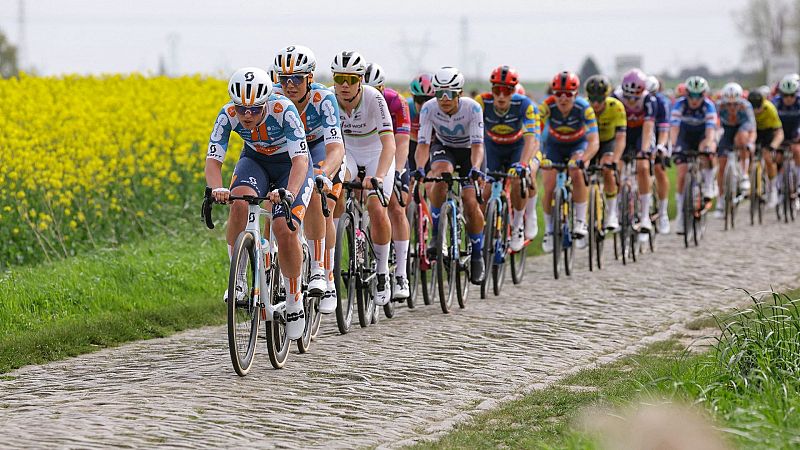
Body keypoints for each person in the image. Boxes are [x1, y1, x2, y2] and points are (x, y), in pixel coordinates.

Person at [206, 67, 313, 340]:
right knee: (238, 202)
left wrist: (288, 192)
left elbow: (301, 160)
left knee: (283, 228)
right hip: (255, 162)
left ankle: (294, 300)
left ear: (265, 102)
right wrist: (216, 188)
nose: (248, 115)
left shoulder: (283, 110)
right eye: (242, 109)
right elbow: (214, 159)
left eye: (254, 109)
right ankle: (239, 278)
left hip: (290, 167)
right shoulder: (227, 114)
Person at [272, 45, 346, 314]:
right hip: (290, 152)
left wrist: (324, 173)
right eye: (284, 79)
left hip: (318, 149)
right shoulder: (273, 99)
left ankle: (323, 273)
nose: (290, 85)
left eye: (297, 79)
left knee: (318, 195)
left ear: (310, 78)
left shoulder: (324, 98)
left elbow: (336, 147)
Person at [331, 51, 396, 306]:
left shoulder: (374, 98)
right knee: (335, 190)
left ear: (360, 80)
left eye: (351, 79)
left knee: (375, 206)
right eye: (339, 78)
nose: (344, 85)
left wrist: (378, 176)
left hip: (375, 154)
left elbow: (389, 143)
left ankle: (382, 272)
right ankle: (329, 263)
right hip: (347, 153)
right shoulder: (329, 97)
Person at [413, 66, 487, 284]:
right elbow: (424, 144)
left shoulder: (472, 108)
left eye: (450, 94)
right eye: (439, 93)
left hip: (470, 152)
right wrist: (419, 168)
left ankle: (476, 254)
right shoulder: (428, 109)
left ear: (460, 94)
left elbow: (478, 146)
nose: (444, 99)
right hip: (444, 148)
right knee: (439, 175)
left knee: (470, 201)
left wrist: (475, 168)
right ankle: (437, 233)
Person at [476, 65, 541, 251]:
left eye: (507, 91)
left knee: (519, 179)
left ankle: (519, 224)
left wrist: (523, 164)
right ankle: (480, 235)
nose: (502, 96)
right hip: (493, 147)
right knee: (484, 190)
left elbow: (531, 139)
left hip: (517, 147)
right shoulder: (482, 102)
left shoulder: (525, 104)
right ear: (492, 90)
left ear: (514, 91)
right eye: (497, 90)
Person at [364, 62, 412, 300]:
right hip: (361, 151)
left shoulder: (396, 102)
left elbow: (401, 141)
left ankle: (401, 273)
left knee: (395, 205)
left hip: (389, 153)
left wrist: (400, 171)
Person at [539, 71, 599, 252]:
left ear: (576, 94)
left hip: (577, 145)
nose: (563, 99)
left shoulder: (584, 108)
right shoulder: (547, 106)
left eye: (568, 95)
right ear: (553, 94)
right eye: (558, 94)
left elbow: (594, 141)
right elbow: (534, 135)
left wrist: (585, 159)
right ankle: (549, 230)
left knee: (577, 172)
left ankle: (580, 221)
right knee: (548, 185)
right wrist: (539, 158)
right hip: (554, 146)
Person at [669, 76, 718, 234]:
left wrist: (709, 144)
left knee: (707, 152)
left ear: (704, 95)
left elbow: (710, 130)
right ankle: (681, 216)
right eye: (692, 95)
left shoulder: (708, 106)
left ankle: (709, 184)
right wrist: (673, 145)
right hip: (685, 136)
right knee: (682, 173)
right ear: (687, 94)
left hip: (702, 135)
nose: (695, 99)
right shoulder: (679, 105)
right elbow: (674, 128)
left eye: (699, 95)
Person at [614, 68, 658, 241]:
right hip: (623, 132)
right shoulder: (616, 97)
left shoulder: (648, 100)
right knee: (615, 166)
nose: (631, 101)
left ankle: (645, 215)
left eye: (635, 97)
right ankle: (618, 206)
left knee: (642, 166)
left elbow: (648, 128)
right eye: (628, 97)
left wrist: (645, 151)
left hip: (641, 133)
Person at [584, 74, 627, 231]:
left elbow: (621, 137)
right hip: (589, 143)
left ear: (606, 96)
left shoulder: (616, 107)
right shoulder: (584, 107)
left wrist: (615, 160)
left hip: (608, 142)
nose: (595, 104)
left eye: (599, 100)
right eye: (592, 99)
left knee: (608, 170)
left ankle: (611, 214)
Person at [714, 82, 756, 218]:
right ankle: (720, 201)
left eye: (735, 104)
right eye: (729, 104)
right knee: (721, 165)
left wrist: (750, 143)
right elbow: (713, 125)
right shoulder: (719, 106)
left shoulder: (746, 106)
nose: (732, 107)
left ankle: (744, 174)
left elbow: (752, 128)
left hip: (742, 129)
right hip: (727, 131)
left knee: (742, 139)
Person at [747, 90, 784, 207]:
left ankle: (772, 189)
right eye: (753, 108)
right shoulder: (746, 109)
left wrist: (774, 145)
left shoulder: (770, 108)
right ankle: (752, 186)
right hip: (754, 131)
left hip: (768, 132)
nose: (756, 111)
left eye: (758, 107)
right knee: (749, 157)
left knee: (768, 157)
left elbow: (779, 131)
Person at [646, 75, 673, 233]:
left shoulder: (663, 103)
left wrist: (661, 146)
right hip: (642, 134)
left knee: (658, 170)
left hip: (659, 133)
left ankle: (663, 212)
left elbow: (665, 128)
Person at [773, 74, 800, 200]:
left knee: (797, 151)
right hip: (781, 132)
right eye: (785, 95)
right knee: (777, 157)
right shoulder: (775, 103)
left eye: (792, 95)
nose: (789, 98)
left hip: (796, 131)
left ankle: (798, 183)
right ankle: (779, 185)